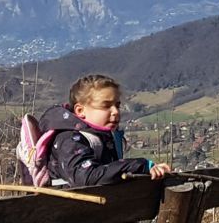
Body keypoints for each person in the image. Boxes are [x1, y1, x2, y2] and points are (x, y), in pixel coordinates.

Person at [38, 74, 173, 188]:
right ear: (80, 111)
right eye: (106, 106)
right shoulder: (68, 139)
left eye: (117, 105)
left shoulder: (103, 137)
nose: (115, 112)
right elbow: (86, 177)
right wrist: (140, 165)